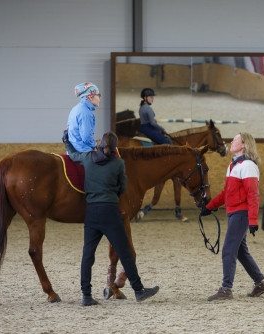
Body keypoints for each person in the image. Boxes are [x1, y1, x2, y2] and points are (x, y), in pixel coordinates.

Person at [62, 130, 159, 306]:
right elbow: (122, 187)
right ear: (115, 148)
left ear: (100, 144)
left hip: (91, 213)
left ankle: (86, 295)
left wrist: (66, 141)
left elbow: (73, 156)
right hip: (110, 212)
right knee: (125, 253)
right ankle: (138, 290)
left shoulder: (88, 158)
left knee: (87, 255)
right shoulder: (118, 164)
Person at [201, 132, 264, 301]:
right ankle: (260, 282)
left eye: (235, 139)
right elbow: (227, 192)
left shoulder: (247, 166)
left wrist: (253, 220)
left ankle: (226, 288)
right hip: (233, 212)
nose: (231, 141)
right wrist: (209, 207)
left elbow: (253, 194)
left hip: (241, 213)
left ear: (244, 145)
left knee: (228, 250)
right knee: (240, 251)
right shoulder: (233, 165)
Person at [67, 82, 102, 152]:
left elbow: (67, 129)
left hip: (73, 150)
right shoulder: (86, 113)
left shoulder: (75, 109)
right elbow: (86, 137)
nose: (100, 99)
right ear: (91, 97)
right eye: (99, 95)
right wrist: (94, 146)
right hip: (83, 151)